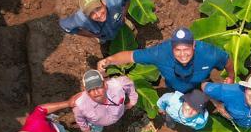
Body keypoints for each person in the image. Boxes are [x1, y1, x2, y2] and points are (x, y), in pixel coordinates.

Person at [98, 25, 234, 91]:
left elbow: (227, 60)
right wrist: (109, 60)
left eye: (186, 49)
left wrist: (231, 76)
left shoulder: (209, 53)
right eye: (177, 50)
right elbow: (130, 56)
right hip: (173, 86)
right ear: (172, 47)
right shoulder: (160, 53)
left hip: (198, 85)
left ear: (193, 45)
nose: (182, 54)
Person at [68, 69, 138, 132]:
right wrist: (85, 129)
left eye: (98, 87)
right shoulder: (80, 106)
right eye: (91, 90)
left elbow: (129, 83)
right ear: (86, 90)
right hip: (97, 124)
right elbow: (80, 120)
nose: (96, 93)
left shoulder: (117, 85)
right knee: (97, 129)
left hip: (119, 113)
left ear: (105, 84)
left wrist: (132, 101)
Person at [58, 0, 132, 44]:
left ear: (103, 2)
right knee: (104, 38)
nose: (98, 15)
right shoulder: (80, 19)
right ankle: (104, 39)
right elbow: (64, 26)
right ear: (86, 15)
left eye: (98, 8)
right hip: (103, 34)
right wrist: (91, 35)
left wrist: (124, 13)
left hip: (118, 22)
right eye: (91, 13)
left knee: (121, 23)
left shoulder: (114, 1)